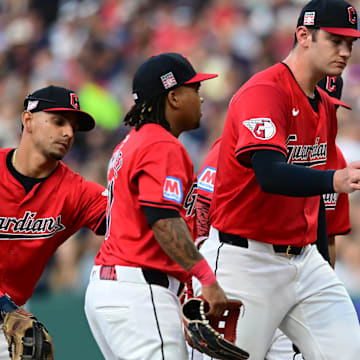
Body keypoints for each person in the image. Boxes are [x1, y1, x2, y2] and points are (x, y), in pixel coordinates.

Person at [192, 0, 360, 359]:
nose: (345, 51)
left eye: (351, 42)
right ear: (303, 35)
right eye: (335, 40)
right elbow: (269, 174)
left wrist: (321, 271)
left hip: (303, 262)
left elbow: (313, 199)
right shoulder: (264, 92)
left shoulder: (325, 104)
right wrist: (336, 180)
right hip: (245, 259)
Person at [84, 52, 228, 360]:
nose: (201, 100)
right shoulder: (161, 144)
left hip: (114, 288)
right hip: (140, 289)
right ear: (173, 97)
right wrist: (206, 278)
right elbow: (163, 220)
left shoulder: (131, 141)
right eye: (195, 91)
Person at [0, 85, 107, 359]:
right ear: (28, 120)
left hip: (9, 316)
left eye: (73, 126)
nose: (69, 133)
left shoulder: (75, 192)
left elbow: (133, 222)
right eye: (58, 121)